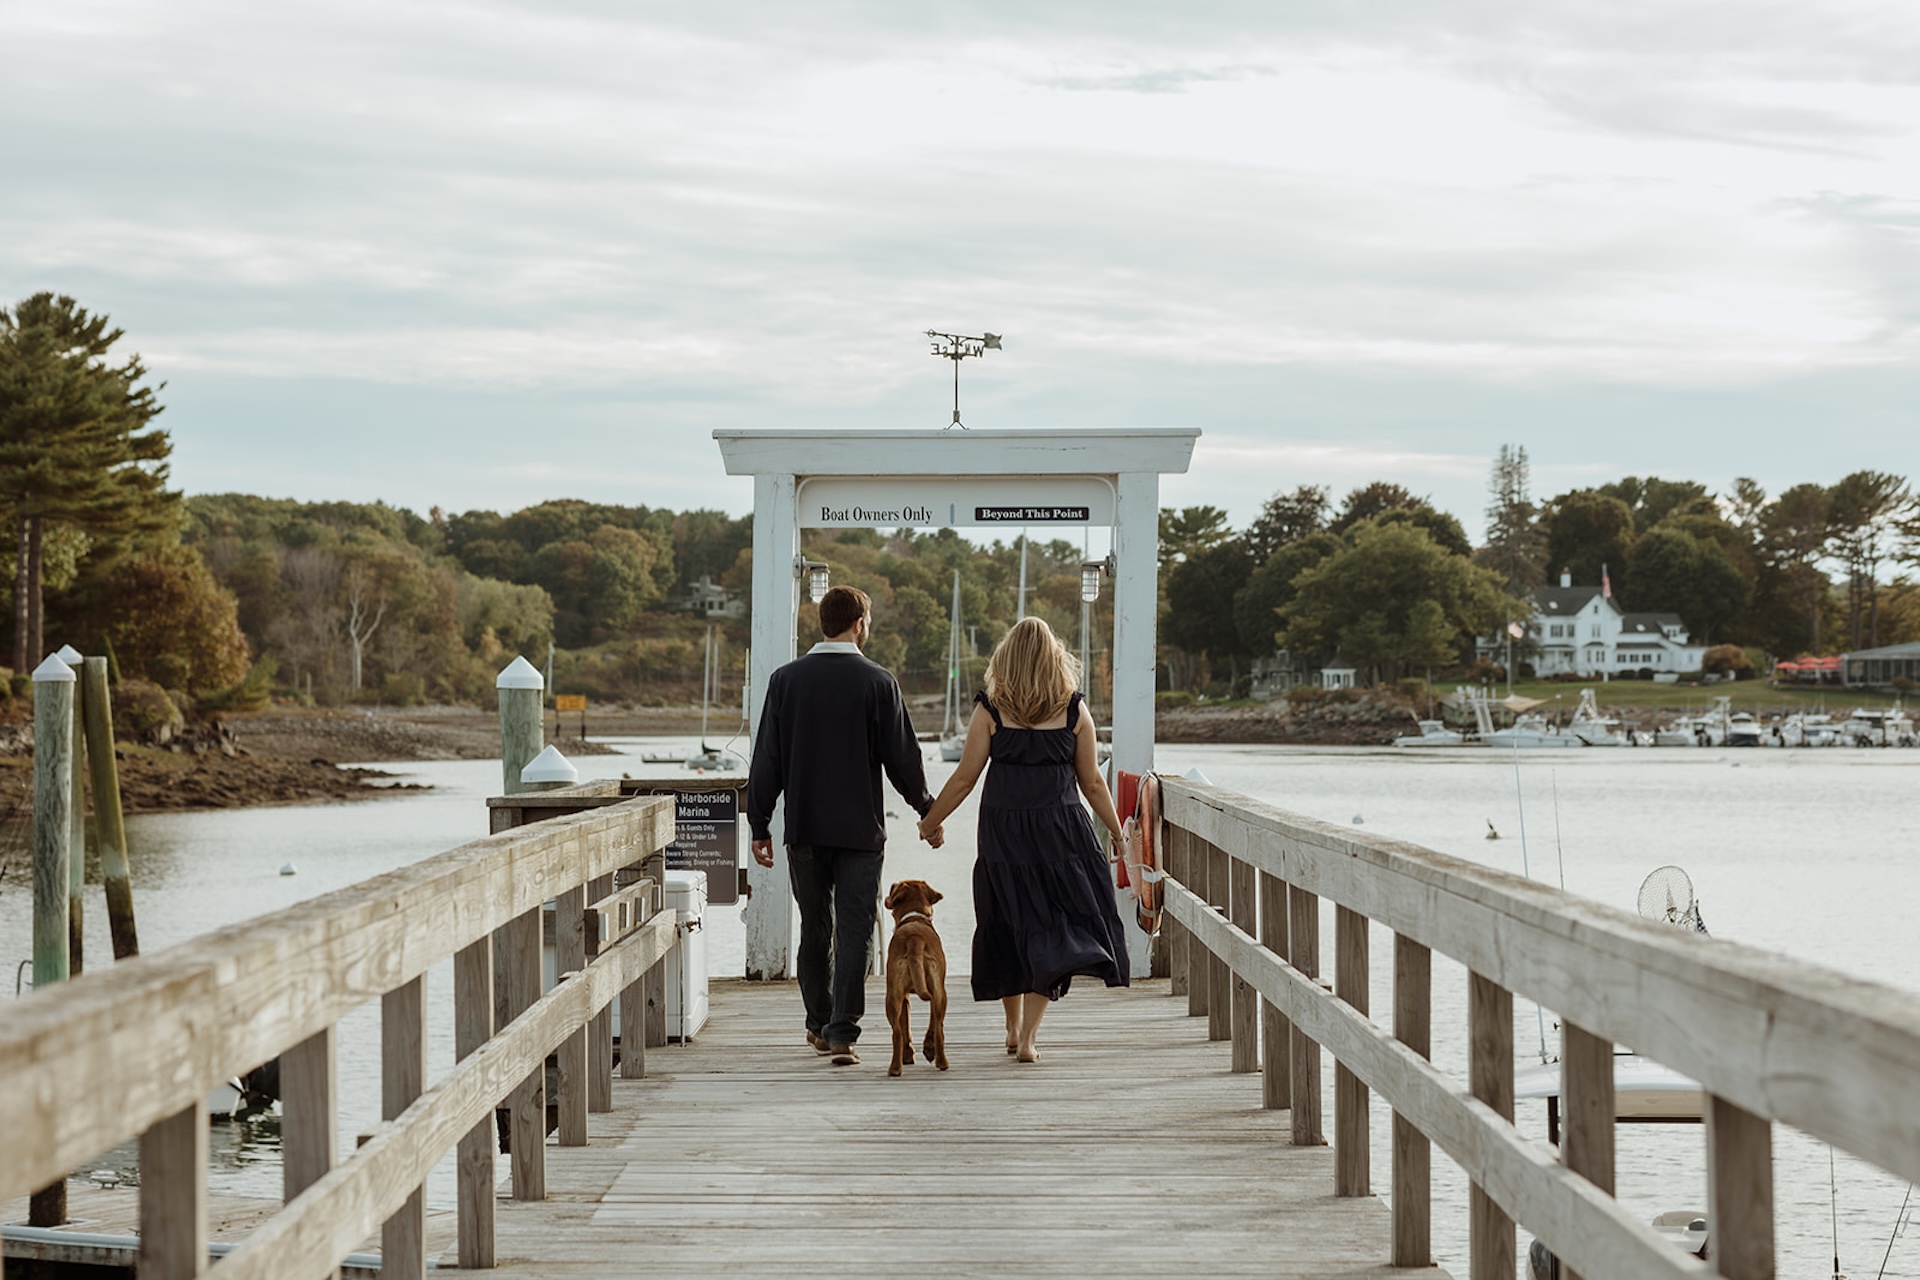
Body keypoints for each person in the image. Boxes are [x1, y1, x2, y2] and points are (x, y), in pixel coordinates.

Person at [917, 616, 1129, 1062]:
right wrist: (1116, 831)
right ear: (1055, 659)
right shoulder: (1074, 710)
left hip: (1003, 832)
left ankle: (1011, 1029)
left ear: (1006, 658)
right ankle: (1029, 1038)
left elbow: (963, 779)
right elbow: (1092, 783)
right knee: (1051, 926)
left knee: (1006, 921)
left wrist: (930, 822)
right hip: (1060, 833)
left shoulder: (991, 709)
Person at [747, 585, 937, 1067]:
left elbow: (767, 757)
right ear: (859, 624)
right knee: (855, 932)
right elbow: (902, 759)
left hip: (805, 829)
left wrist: (760, 823)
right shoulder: (878, 682)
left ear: (823, 623)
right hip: (860, 832)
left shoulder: (786, 681)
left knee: (815, 926)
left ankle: (816, 1021)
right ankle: (842, 1033)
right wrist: (926, 810)